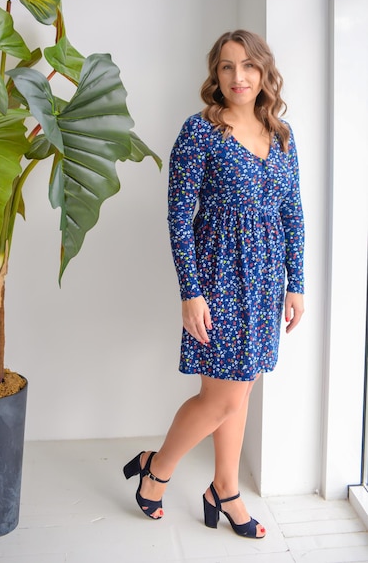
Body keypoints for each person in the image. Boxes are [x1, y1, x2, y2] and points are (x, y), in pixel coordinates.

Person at [123, 30, 305, 539]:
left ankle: (224, 489)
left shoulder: (283, 134)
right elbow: (179, 218)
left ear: (265, 72)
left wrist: (297, 283)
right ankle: (156, 470)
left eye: (248, 66)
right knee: (221, 397)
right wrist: (191, 291)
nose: (238, 77)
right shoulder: (200, 132)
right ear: (215, 75)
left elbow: (292, 213)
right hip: (220, 275)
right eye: (226, 67)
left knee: (240, 391)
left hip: (267, 279)